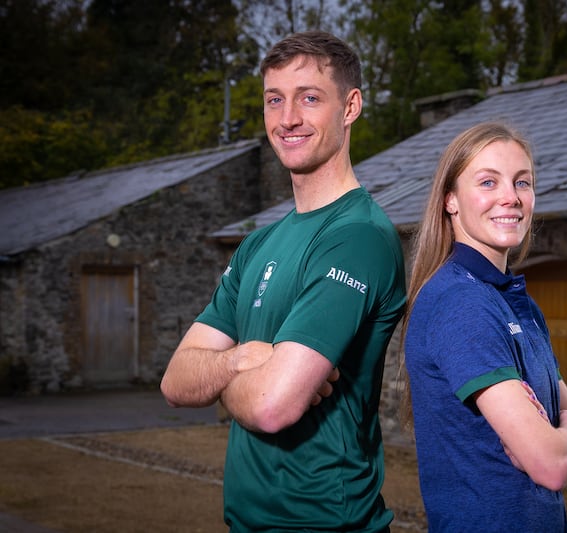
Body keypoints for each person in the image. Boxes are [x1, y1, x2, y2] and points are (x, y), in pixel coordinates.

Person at [160, 31, 406, 532]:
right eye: (275, 101)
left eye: (309, 98)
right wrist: (245, 359)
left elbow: (273, 407)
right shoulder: (257, 245)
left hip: (324, 524)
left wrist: (219, 378)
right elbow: (174, 381)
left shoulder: (357, 237)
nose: (288, 118)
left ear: (351, 105)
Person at [402, 121, 567, 532]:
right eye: (488, 182)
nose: (510, 197)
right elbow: (553, 465)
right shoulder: (461, 303)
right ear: (451, 200)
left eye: (522, 183)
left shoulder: (511, 299)